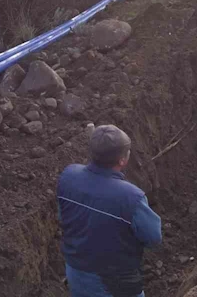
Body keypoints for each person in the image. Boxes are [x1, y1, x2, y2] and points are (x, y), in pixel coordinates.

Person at [57, 125, 162, 297]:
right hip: (114, 281)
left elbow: (64, 217)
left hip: (76, 271)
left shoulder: (69, 176)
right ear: (122, 160)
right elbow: (153, 237)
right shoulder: (131, 197)